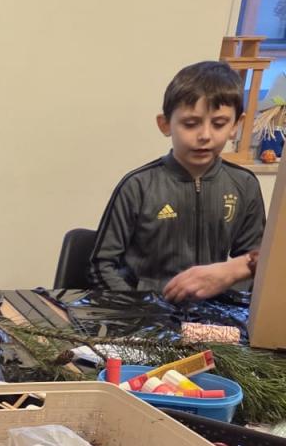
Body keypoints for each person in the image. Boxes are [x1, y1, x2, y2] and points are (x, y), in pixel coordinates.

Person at [91, 61, 265, 301]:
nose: (205, 135)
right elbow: (101, 266)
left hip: (212, 313)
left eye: (219, 124)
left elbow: (257, 260)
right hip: (144, 312)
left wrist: (229, 298)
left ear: (236, 125)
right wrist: (138, 308)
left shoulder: (244, 184)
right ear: (165, 125)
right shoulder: (138, 185)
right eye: (190, 124)